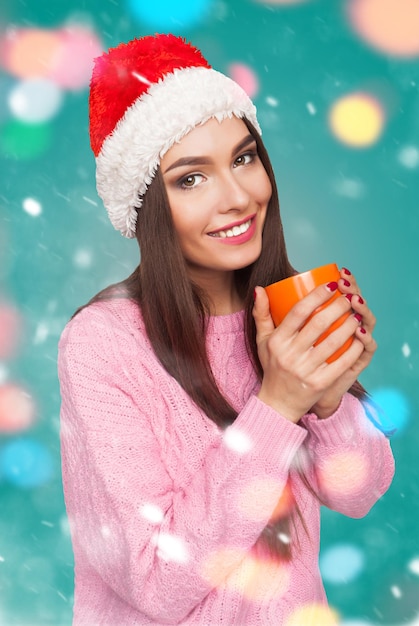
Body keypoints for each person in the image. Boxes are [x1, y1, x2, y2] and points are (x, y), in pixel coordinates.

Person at [58, 34, 395, 626]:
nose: (239, 197)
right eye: (191, 179)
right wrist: (278, 404)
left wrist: (329, 394)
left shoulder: (284, 307)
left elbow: (358, 493)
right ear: (145, 207)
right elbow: (160, 581)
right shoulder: (101, 344)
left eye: (243, 158)